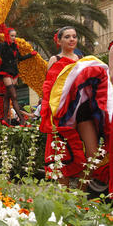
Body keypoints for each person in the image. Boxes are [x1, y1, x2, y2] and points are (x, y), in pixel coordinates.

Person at [40, 26, 113, 190]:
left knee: (92, 155)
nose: (72, 39)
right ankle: (65, 196)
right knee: (62, 155)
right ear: (59, 41)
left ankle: (81, 196)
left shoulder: (83, 59)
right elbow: (50, 89)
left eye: (74, 36)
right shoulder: (55, 59)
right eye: (67, 37)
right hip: (63, 115)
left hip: (85, 113)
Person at [0, 24, 37, 126]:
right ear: (7, 35)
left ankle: (5, 120)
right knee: (14, 96)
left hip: (14, 73)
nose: (14, 38)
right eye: (12, 36)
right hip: (6, 72)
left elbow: (19, 59)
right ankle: (22, 120)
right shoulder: (3, 46)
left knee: (8, 97)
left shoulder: (15, 46)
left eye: (15, 36)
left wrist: (30, 55)